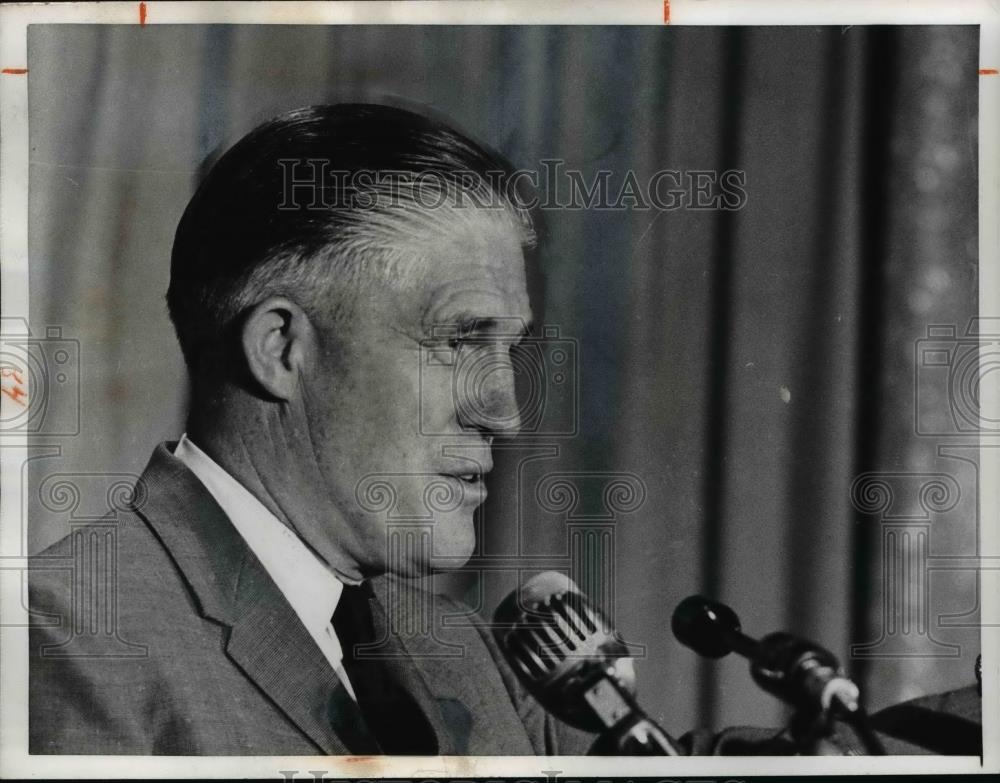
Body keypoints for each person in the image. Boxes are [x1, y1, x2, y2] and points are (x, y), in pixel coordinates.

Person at [28, 104, 980, 757]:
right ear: (282, 348)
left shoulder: (457, 650)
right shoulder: (62, 645)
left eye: (509, 350)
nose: (506, 411)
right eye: (458, 341)